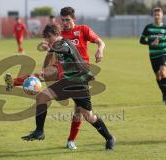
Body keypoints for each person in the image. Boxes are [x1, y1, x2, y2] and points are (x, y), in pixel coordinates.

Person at [20, 24, 115, 150]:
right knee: (42, 97)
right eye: (46, 37)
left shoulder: (64, 44)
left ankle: (109, 138)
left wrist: (50, 47)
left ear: (56, 34)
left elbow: (64, 50)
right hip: (67, 83)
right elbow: (47, 67)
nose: (48, 39)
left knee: (89, 116)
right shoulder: (56, 46)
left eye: (49, 37)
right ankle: (39, 131)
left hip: (79, 84)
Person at [58, 6, 106, 150]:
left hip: (82, 75)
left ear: (74, 19)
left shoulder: (83, 29)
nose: (65, 23)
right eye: (63, 20)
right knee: (80, 110)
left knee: (80, 110)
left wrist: (100, 50)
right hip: (67, 76)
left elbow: (100, 42)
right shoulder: (60, 35)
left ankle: (71, 140)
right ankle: (71, 140)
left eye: (67, 20)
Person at [140, 7, 166, 105]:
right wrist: (151, 42)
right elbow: (141, 41)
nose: (157, 17)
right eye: (155, 15)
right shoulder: (148, 28)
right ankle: (163, 93)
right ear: (153, 16)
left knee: (163, 72)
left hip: (163, 53)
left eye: (158, 15)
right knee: (158, 76)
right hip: (153, 55)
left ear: (162, 16)